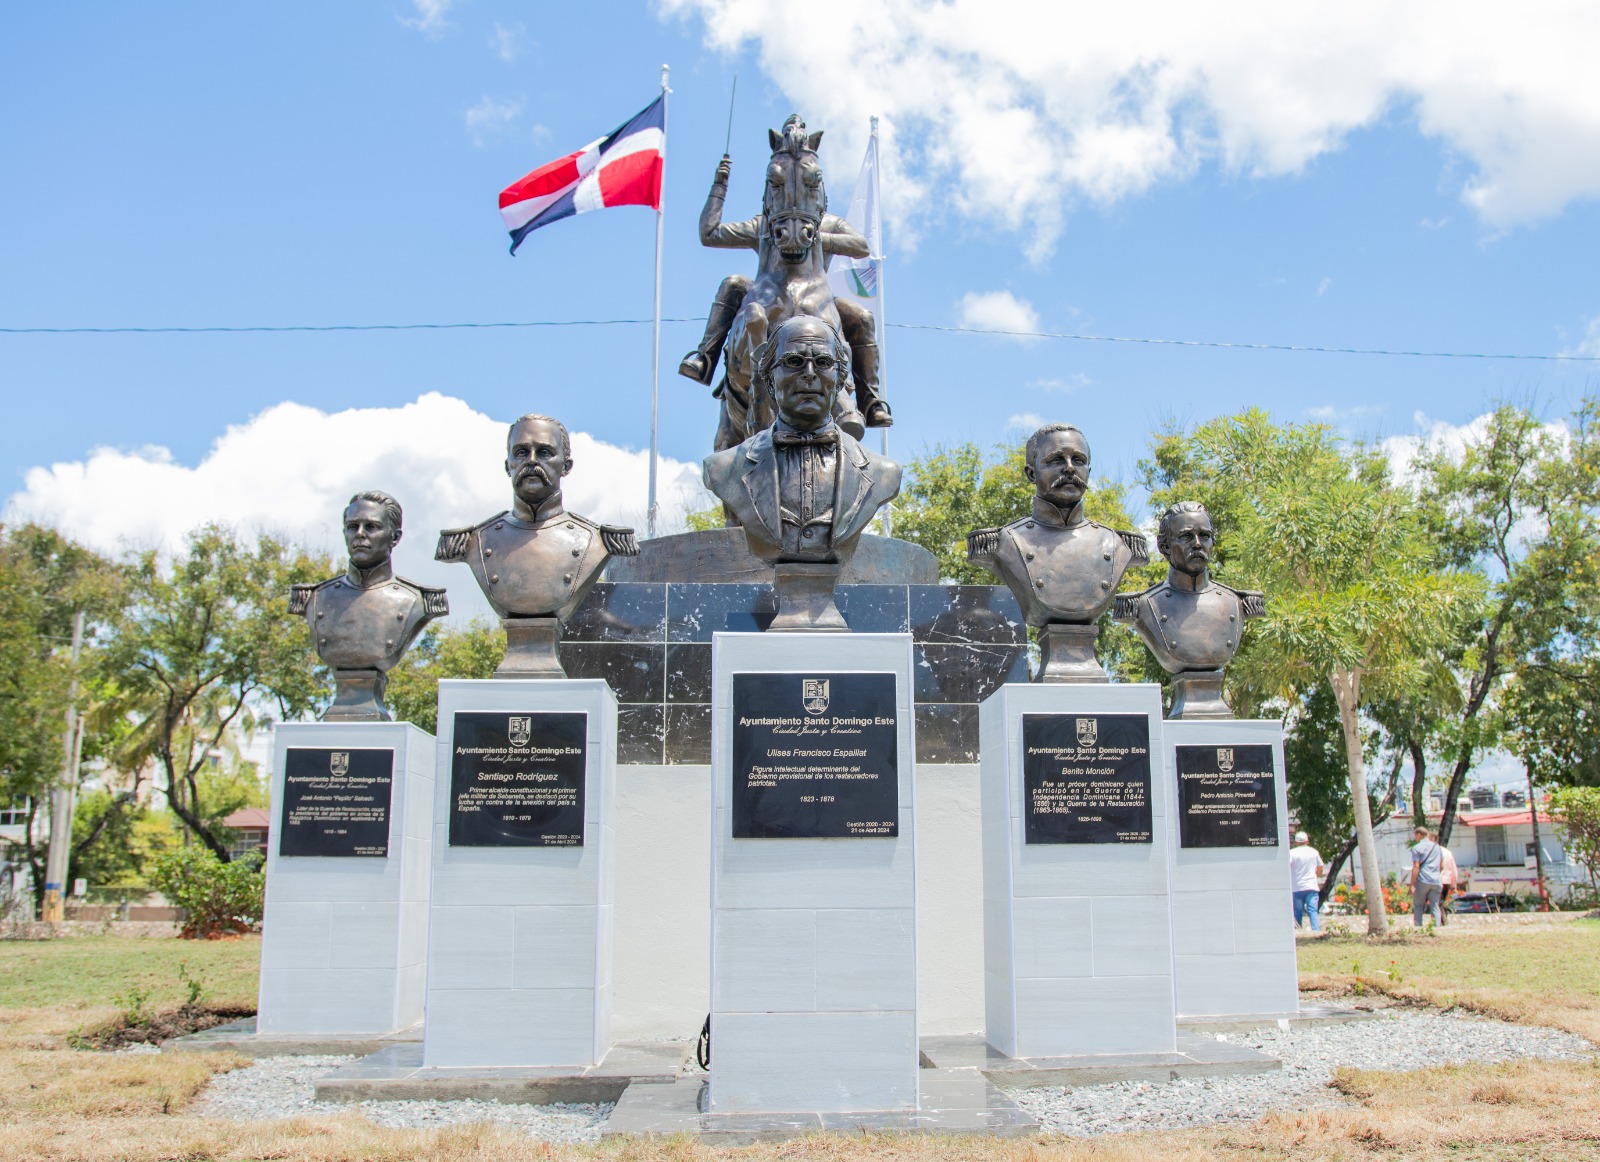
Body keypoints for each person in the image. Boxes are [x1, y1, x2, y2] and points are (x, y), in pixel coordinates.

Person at [701, 315, 901, 567]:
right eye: (793, 361)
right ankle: (704, 355)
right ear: (770, 377)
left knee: (861, 318)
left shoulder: (884, 472)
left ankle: (871, 398)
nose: (809, 374)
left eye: (822, 362)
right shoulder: (722, 468)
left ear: (840, 378)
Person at [290, 490, 448, 721]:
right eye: (352, 527)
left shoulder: (421, 601)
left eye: (371, 527)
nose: (360, 534)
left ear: (395, 537)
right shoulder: (313, 598)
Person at [1408, 826, 1445, 926]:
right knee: (1435, 905)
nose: (1415, 837)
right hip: (1436, 880)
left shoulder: (1416, 848)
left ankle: (1418, 927)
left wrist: (1412, 885)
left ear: (1419, 835)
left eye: (1415, 835)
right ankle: (1436, 928)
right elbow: (1441, 865)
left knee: (1418, 905)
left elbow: (1416, 866)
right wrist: (1436, 874)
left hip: (1423, 880)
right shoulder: (1437, 847)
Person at [1289, 831, 1324, 933]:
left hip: (1297, 887)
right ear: (1307, 841)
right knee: (1312, 910)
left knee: (1298, 911)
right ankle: (1316, 930)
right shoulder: (1313, 852)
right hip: (1311, 886)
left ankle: (1298, 930)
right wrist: (1315, 875)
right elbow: (1320, 866)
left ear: (1296, 842)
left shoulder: (1291, 853)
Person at [1438, 840, 1459, 924]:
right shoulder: (1448, 852)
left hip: (1436, 880)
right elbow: (1454, 870)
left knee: (1437, 902)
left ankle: (1441, 920)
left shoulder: (1431, 852)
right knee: (1441, 901)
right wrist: (1454, 884)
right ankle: (1443, 919)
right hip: (1446, 880)